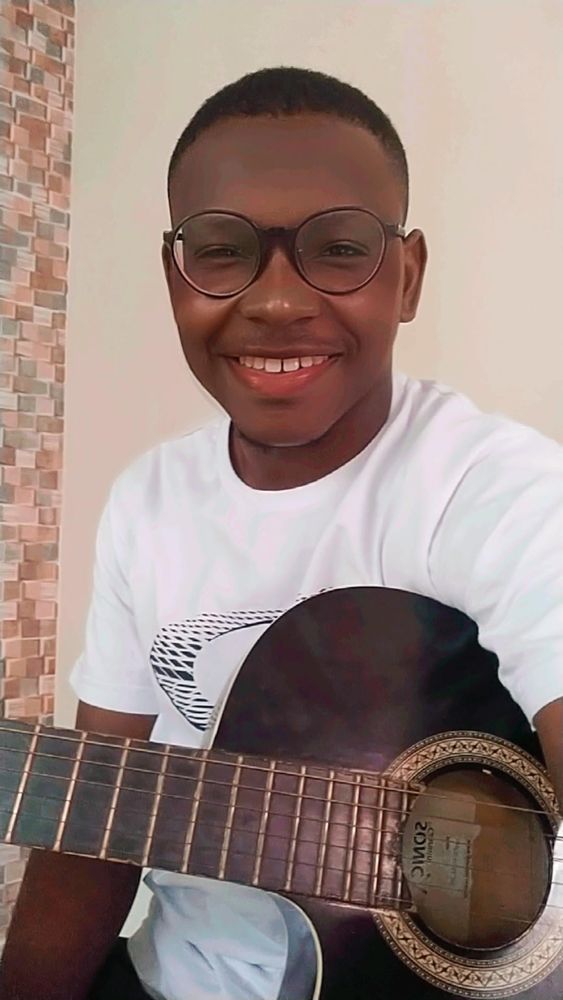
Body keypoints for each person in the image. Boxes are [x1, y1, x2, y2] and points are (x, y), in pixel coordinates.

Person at [1, 64, 562, 1000]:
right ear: (174, 276)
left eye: (338, 249)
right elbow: (96, 810)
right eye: (221, 250)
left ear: (408, 277)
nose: (274, 301)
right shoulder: (149, 501)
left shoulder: (499, 489)